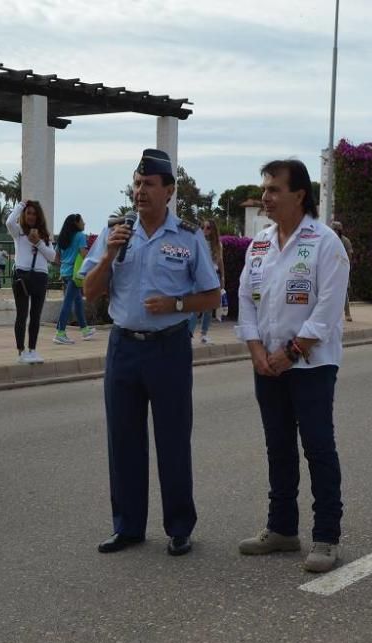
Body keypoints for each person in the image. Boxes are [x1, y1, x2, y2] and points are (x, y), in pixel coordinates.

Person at [81, 148, 220, 557]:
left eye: (149, 184)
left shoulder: (189, 237)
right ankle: (127, 527)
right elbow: (89, 291)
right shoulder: (114, 232)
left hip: (169, 348)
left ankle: (179, 527)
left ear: (169, 191)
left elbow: (212, 295)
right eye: (137, 183)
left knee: (173, 439)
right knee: (123, 440)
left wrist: (176, 305)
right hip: (124, 346)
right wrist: (108, 254)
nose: (140, 191)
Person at [235, 159, 350, 573]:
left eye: (273, 189)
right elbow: (245, 298)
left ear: (299, 194)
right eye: (264, 189)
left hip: (311, 366)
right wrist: (255, 350)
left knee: (318, 448)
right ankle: (282, 529)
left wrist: (292, 351)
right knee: (277, 447)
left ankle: (326, 536)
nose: (265, 197)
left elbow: (327, 310)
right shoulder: (260, 243)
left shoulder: (324, 243)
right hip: (266, 365)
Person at [6, 200, 56, 363]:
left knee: (36, 315)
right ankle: (21, 351)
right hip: (22, 276)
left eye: (34, 213)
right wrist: (21, 205)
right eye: (28, 213)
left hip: (40, 277)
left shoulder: (45, 235)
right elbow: (9, 222)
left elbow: (52, 256)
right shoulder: (19, 231)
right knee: (22, 314)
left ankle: (32, 350)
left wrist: (38, 243)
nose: (31, 216)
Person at [53, 213, 96, 344]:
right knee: (68, 303)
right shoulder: (80, 236)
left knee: (77, 302)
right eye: (82, 221)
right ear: (76, 223)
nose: (84, 223)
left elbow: (56, 258)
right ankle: (60, 332)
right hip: (75, 275)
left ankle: (85, 330)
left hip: (65, 273)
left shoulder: (62, 238)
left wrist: (65, 265)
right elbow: (84, 254)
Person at [188, 218, 225, 344]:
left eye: (208, 228)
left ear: (213, 230)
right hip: (200, 277)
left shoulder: (218, 245)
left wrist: (222, 278)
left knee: (209, 308)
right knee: (196, 307)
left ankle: (203, 334)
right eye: (203, 227)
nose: (205, 230)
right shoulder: (198, 242)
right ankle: (189, 333)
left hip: (213, 276)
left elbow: (220, 262)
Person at [331, 221, 354, 322]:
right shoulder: (329, 240)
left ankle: (347, 313)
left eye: (337, 229)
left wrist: (345, 267)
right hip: (330, 269)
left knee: (343, 292)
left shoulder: (345, 241)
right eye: (333, 229)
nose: (335, 231)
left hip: (341, 269)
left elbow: (349, 255)